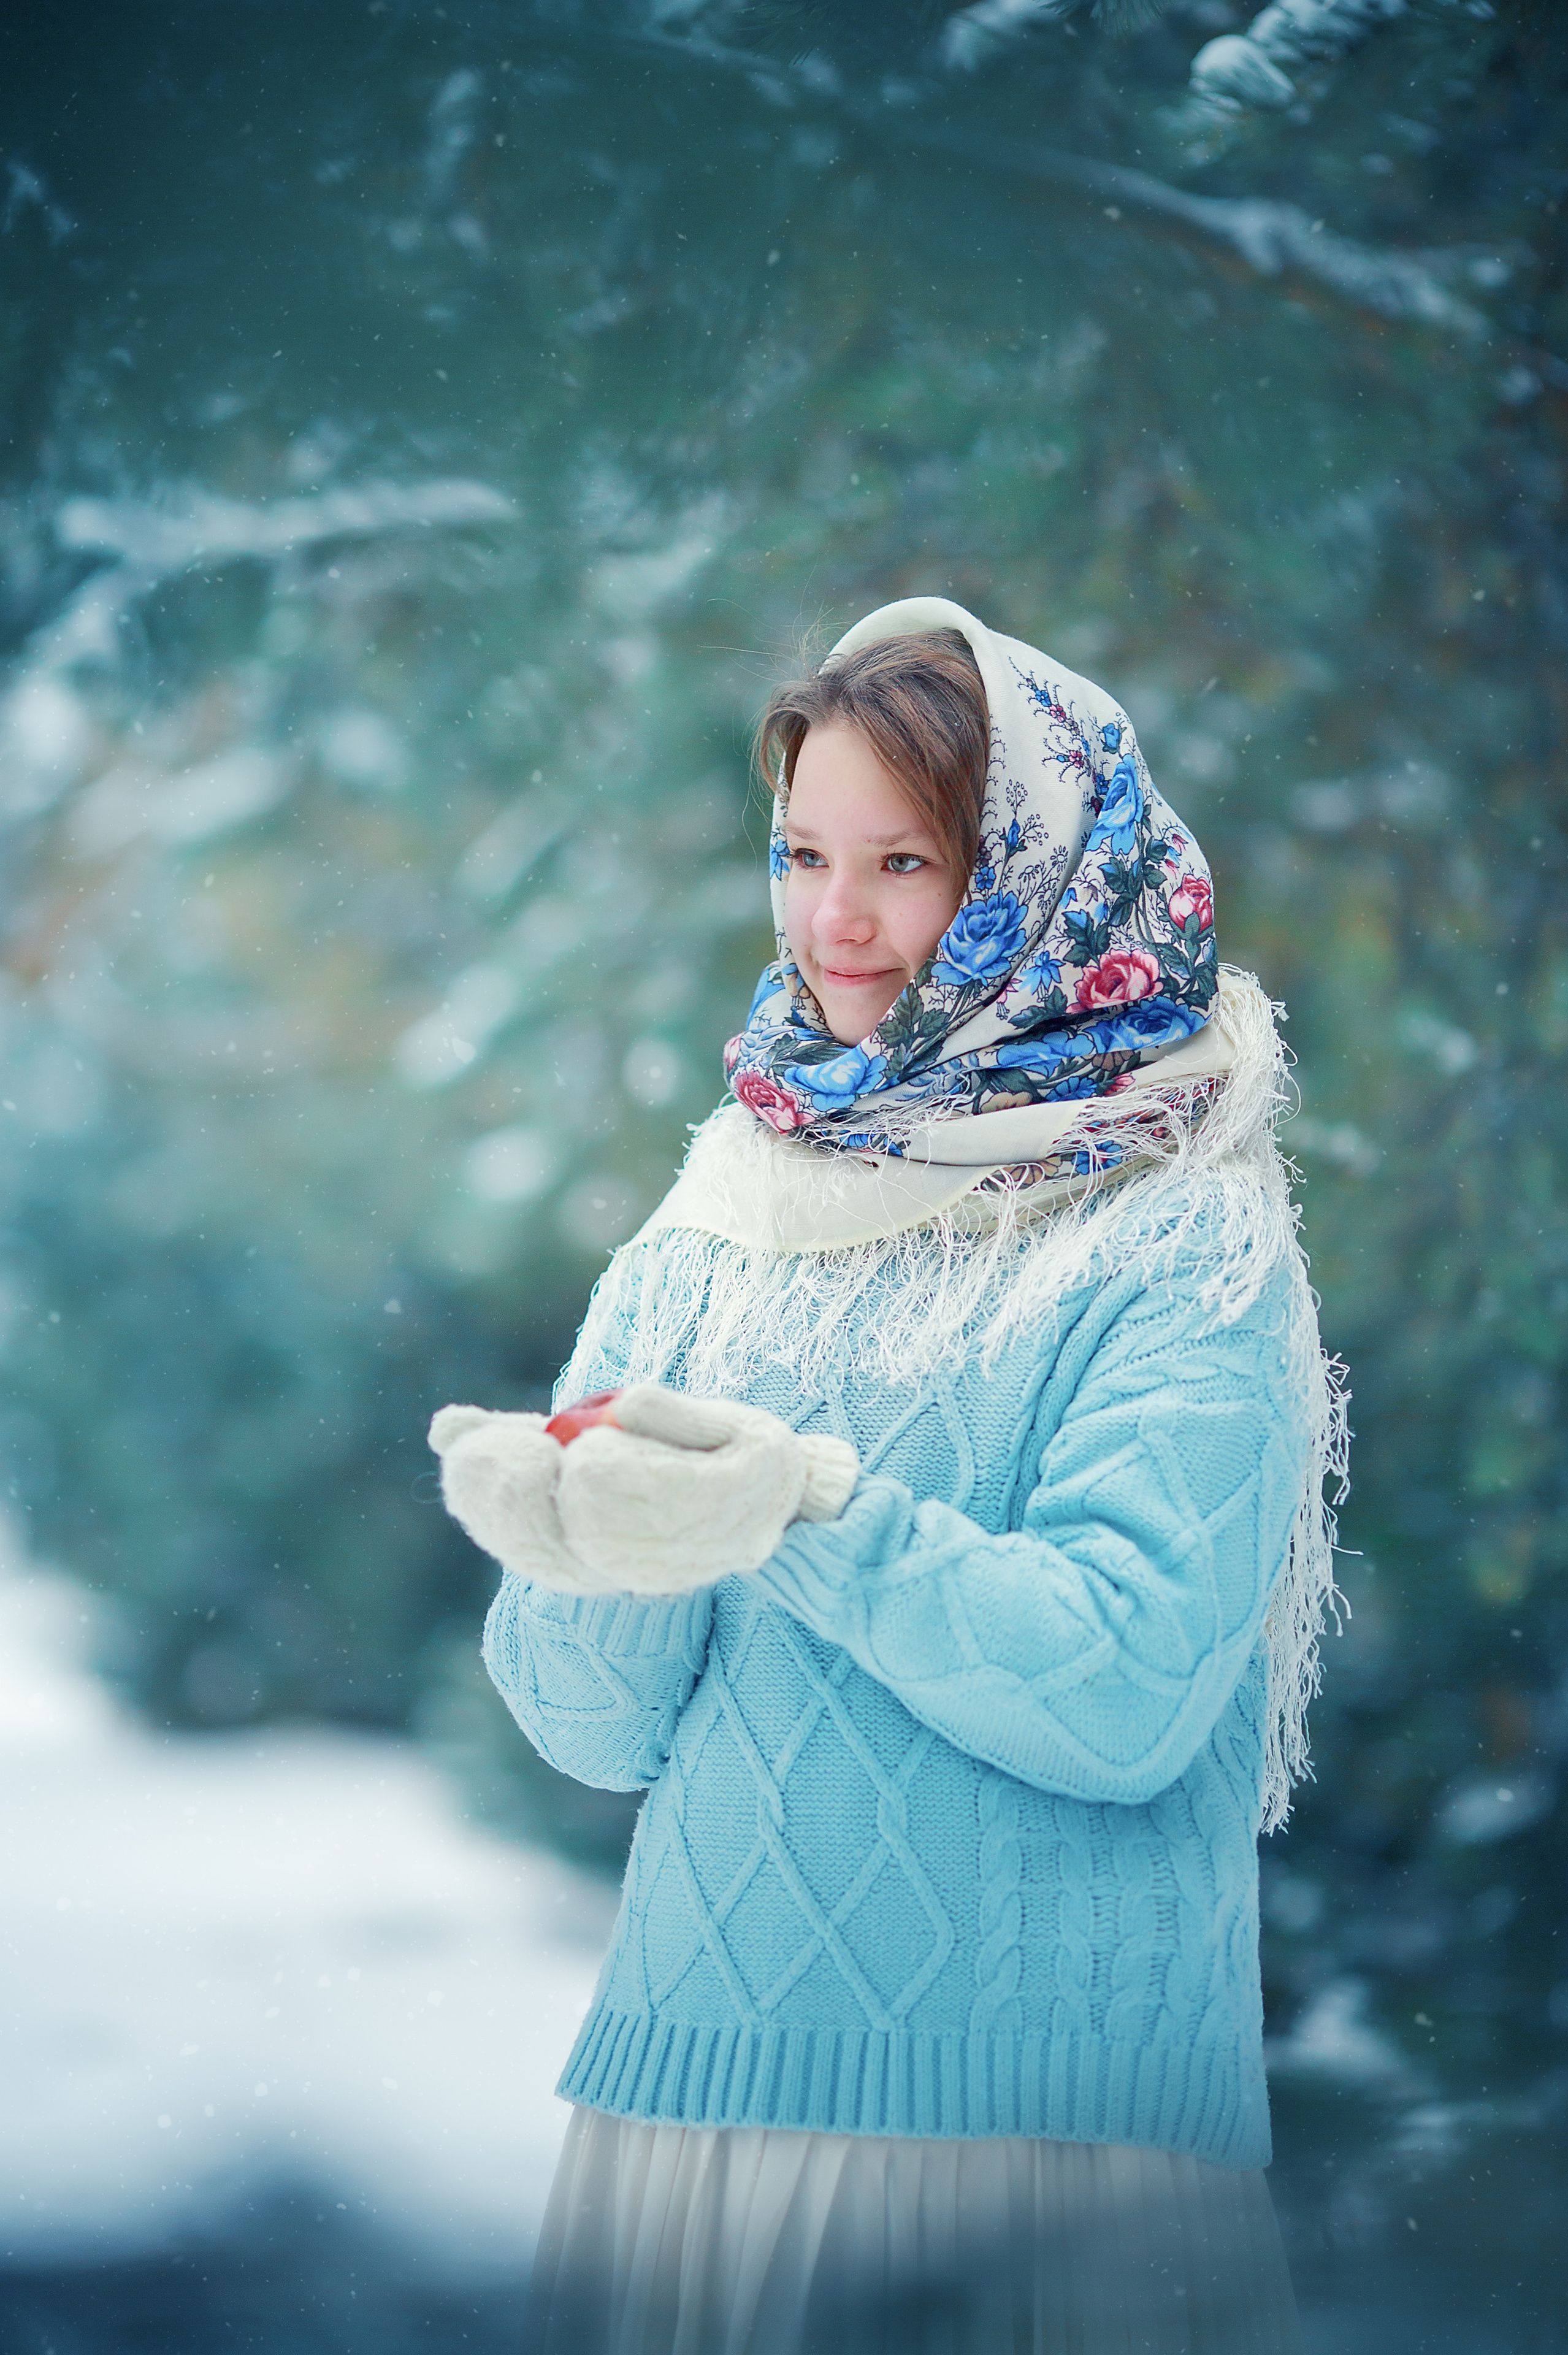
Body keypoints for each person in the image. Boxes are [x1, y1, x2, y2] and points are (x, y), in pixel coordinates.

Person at [429, 597, 1346, 2354]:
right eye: (800, 853)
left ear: (1040, 883)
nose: (833, 921)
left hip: (1049, 2151)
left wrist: (803, 1507)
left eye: (905, 863)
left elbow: (1126, 1683)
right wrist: (576, 1552)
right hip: (696, 2108)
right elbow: (597, 1731)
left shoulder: (1177, 1235)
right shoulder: (729, 1208)